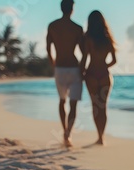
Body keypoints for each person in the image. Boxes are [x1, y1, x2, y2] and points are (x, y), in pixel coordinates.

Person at [46, 0, 84, 147]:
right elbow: (83, 51)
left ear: (61, 8)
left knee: (62, 101)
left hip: (60, 67)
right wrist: (83, 68)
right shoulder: (77, 28)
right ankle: (68, 133)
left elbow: (48, 47)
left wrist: (53, 63)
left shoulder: (53, 26)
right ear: (72, 9)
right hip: (74, 67)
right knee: (73, 104)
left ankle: (65, 132)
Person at [80, 10, 117, 146]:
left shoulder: (88, 38)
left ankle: (99, 136)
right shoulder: (108, 38)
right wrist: (104, 65)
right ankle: (102, 137)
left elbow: (84, 58)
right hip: (104, 75)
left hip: (91, 75)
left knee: (95, 107)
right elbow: (114, 60)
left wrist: (81, 73)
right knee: (103, 107)